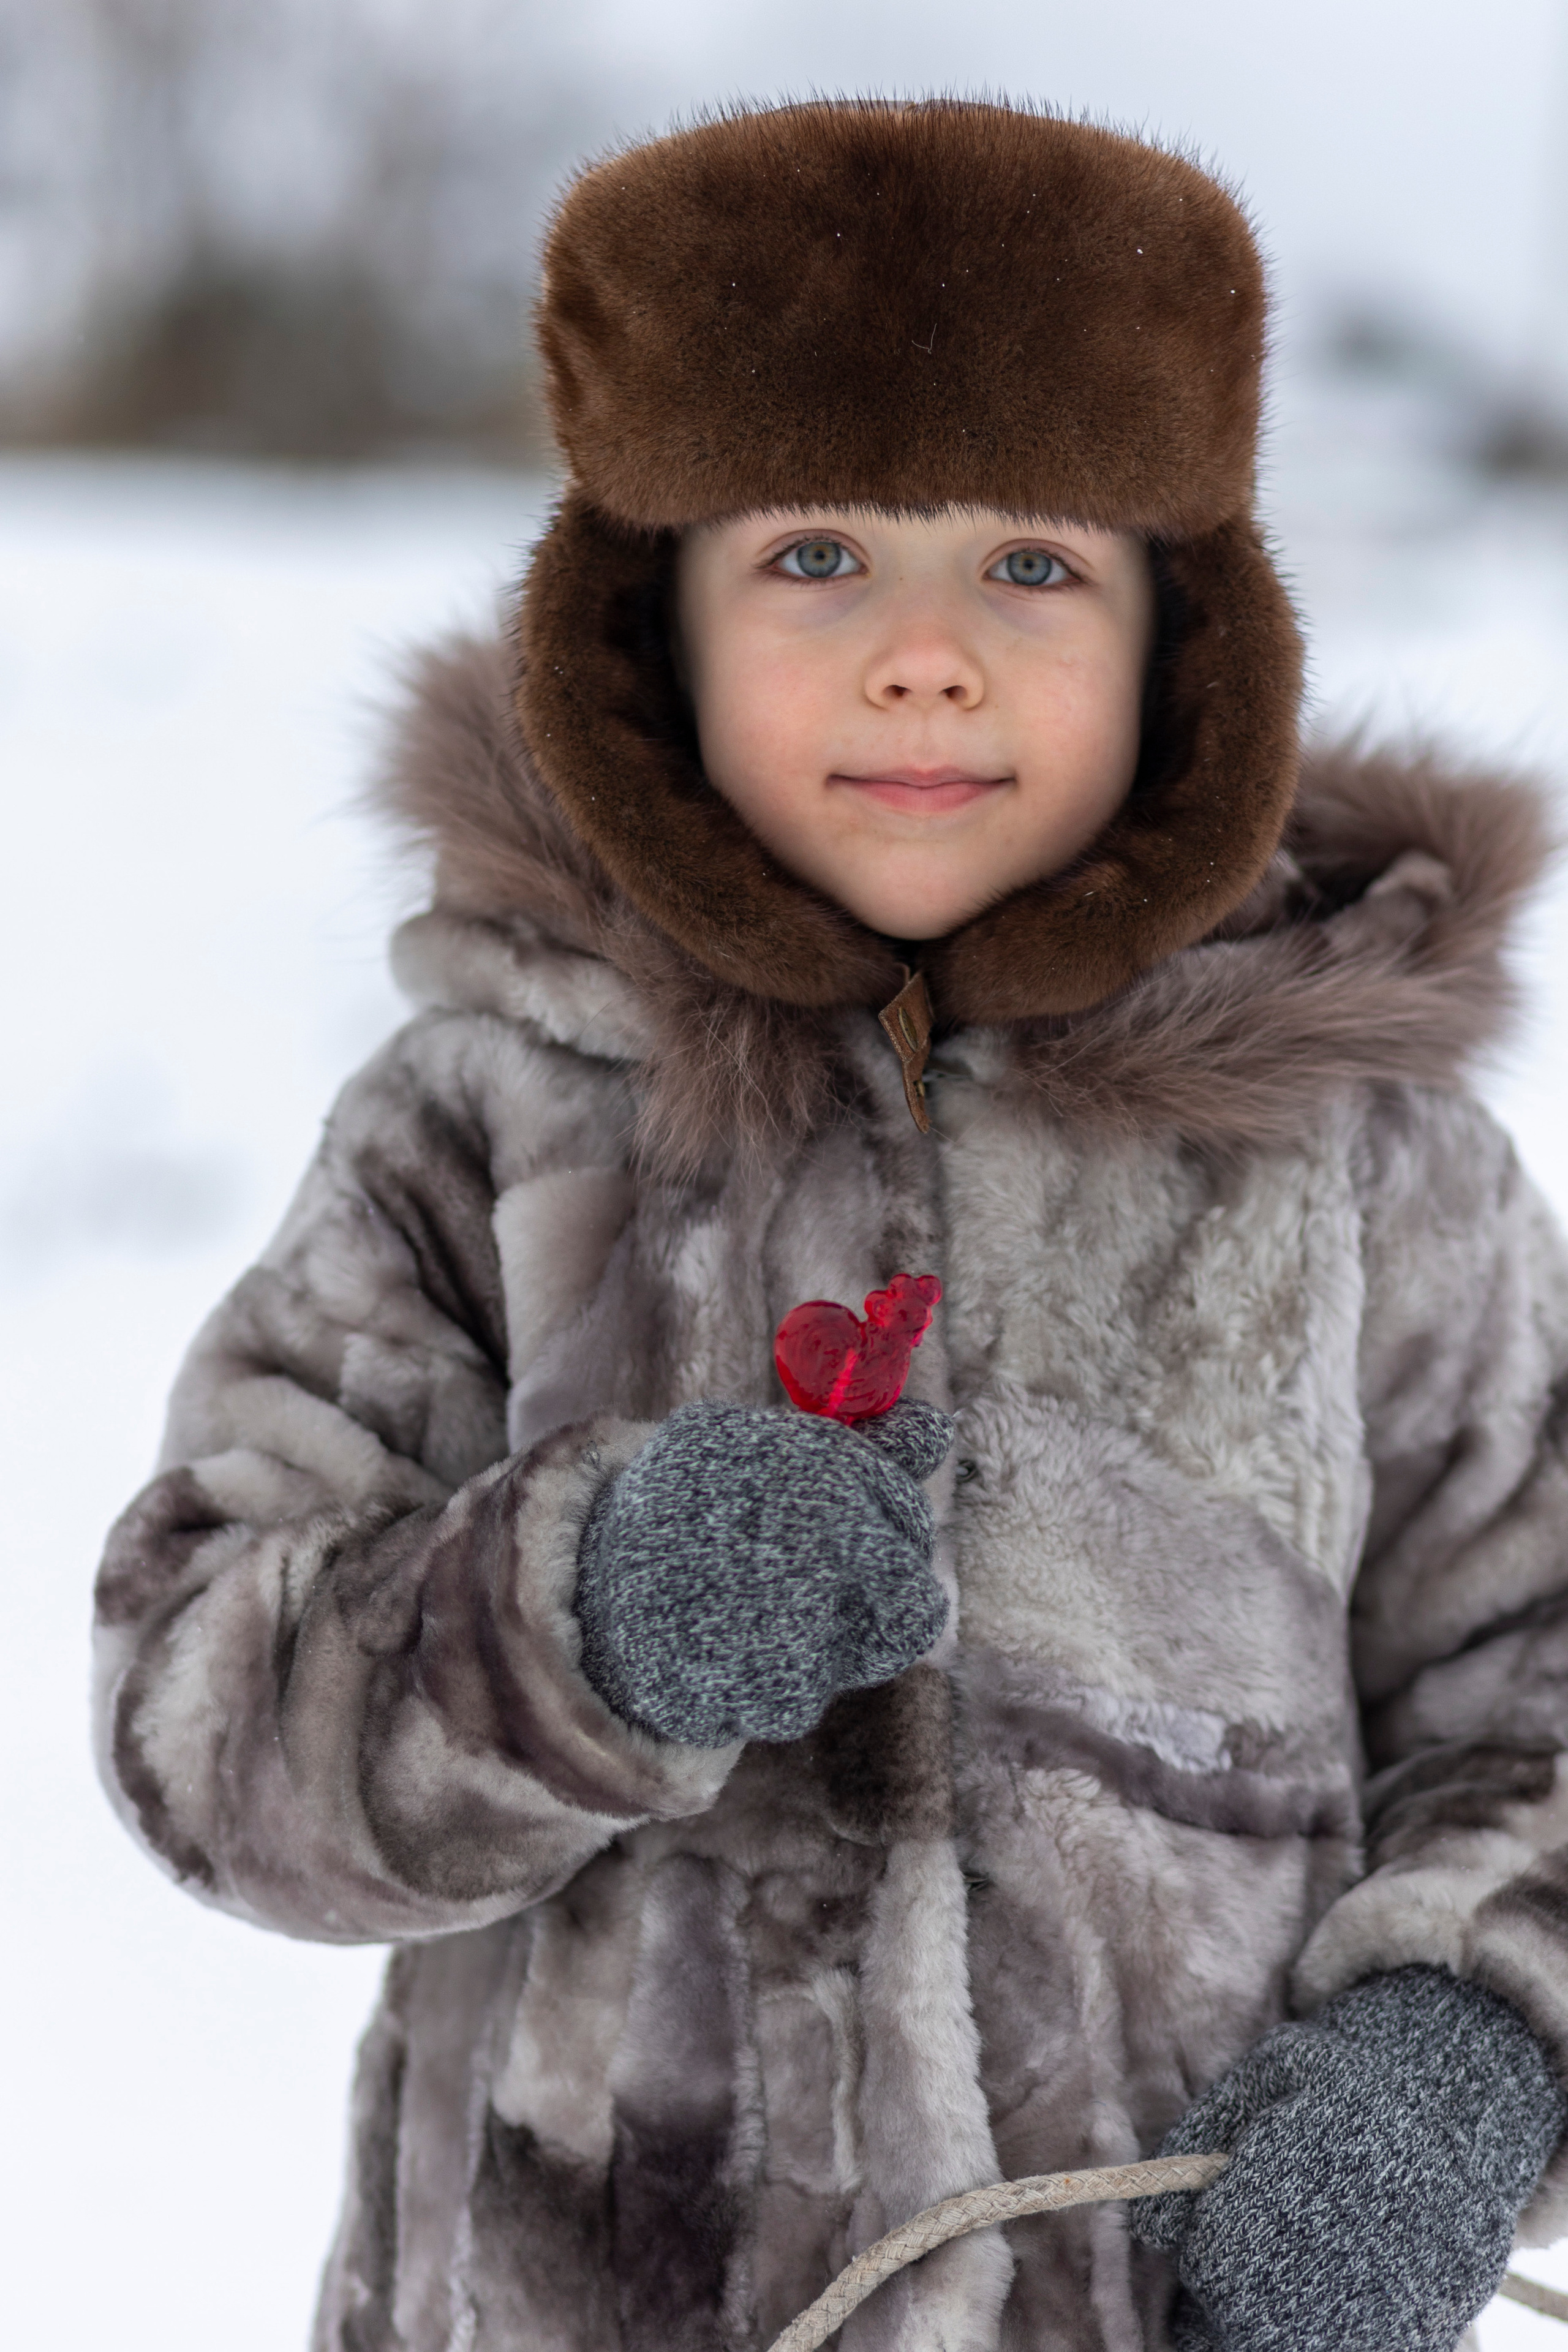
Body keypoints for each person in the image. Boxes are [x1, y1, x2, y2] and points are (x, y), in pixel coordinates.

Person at [93, 99, 1568, 2352]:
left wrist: (1469, 2040)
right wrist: (584, 1619)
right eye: (814, 557)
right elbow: (201, 1706)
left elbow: (1539, 1682)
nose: (924, 656)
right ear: (649, 630)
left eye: (1032, 565)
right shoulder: (485, 1120)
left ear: (1185, 640)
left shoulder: (1369, 1166)